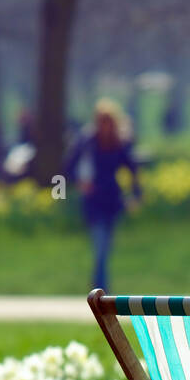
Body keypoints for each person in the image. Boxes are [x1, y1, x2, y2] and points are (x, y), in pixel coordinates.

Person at [64, 99, 142, 293]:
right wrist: (80, 183)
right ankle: (101, 289)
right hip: (93, 201)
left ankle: (99, 288)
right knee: (100, 246)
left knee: (106, 247)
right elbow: (68, 167)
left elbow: (132, 168)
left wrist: (136, 194)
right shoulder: (87, 142)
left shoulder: (119, 142)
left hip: (112, 200)